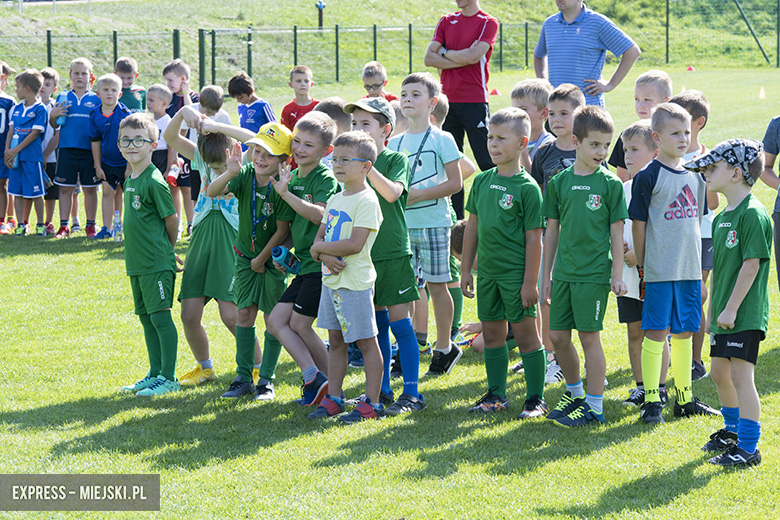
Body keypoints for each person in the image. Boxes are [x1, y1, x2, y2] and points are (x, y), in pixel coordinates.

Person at [629, 103, 719, 423]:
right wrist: (642, 262)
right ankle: (653, 400)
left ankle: (684, 398)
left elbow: (695, 221)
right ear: (656, 137)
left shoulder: (696, 176)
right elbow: (639, 224)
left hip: (689, 270)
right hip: (658, 270)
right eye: (675, 133)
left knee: (684, 332)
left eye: (686, 132)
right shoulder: (647, 177)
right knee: (656, 332)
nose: (683, 138)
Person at [542, 106, 628, 427]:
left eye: (607, 145)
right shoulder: (560, 182)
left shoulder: (610, 184)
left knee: (589, 337)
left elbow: (616, 231)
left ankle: (595, 407)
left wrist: (616, 274)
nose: (602, 152)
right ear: (576, 141)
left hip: (592, 274)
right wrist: (545, 275)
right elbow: (551, 230)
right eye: (595, 145)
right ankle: (575, 393)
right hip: (563, 273)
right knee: (557, 336)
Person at [686, 139, 770, 467]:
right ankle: (733, 432)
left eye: (712, 168)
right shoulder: (722, 218)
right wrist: (714, 307)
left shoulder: (753, 214)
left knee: (740, 376)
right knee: (719, 373)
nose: (706, 172)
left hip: (743, 313)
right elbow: (721, 268)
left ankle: (748, 449)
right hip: (724, 312)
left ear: (736, 173)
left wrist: (732, 307)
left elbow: (751, 265)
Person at [461, 107, 547, 419]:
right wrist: (466, 268)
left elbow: (534, 239)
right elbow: (472, 227)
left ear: (522, 143)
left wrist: (529, 283)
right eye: (490, 138)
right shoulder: (482, 181)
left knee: (525, 336)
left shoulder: (527, 189)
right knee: (494, 335)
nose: (493, 144)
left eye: (501, 138)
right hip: (488, 276)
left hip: (516, 277)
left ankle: (535, 398)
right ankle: (496, 394)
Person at [345, 97, 426, 416]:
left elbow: (393, 193)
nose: (358, 129)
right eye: (354, 124)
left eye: (366, 124)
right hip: (362, 257)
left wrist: (366, 165)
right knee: (373, 328)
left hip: (393, 254)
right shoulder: (347, 163)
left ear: (386, 131)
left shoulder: (394, 159)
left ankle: (412, 393)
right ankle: (380, 390)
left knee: (401, 325)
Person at [202, 121, 294, 400]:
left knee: (272, 318)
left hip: (270, 261)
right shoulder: (245, 175)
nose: (260, 158)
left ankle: (266, 379)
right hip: (244, 260)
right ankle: (243, 377)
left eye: (268, 154)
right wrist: (229, 173)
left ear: (283, 160)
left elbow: (282, 231)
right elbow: (211, 192)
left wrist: (262, 259)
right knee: (244, 313)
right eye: (256, 151)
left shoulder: (281, 187)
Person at [387, 72, 464, 377]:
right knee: (405, 291)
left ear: (432, 102)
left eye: (415, 94)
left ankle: (445, 347)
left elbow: (456, 183)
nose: (407, 99)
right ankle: (405, 350)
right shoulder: (394, 142)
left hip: (434, 222)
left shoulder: (443, 138)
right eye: (404, 94)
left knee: (437, 284)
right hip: (402, 226)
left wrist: (417, 196)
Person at [306, 131, 385, 423]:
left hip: (355, 284)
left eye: (345, 160)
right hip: (331, 281)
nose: (337, 165)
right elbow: (320, 237)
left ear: (365, 166)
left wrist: (319, 249)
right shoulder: (335, 197)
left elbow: (354, 244)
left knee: (366, 343)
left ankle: (373, 404)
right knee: (336, 340)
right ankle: (335, 398)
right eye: (334, 159)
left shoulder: (367, 200)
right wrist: (323, 254)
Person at [266, 111, 340, 406]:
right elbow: (291, 228)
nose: (299, 149)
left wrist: (286, 196)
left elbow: (321, 214)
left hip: (321, 264)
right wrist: (281, 254)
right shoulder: (292, 176)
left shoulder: (325, 177)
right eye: (296, 141)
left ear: (326, 151)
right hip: (304, 265)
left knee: (299, 324)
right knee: (275, 321)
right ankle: (315, 376)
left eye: (308, 145)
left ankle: (329, 385)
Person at [118, 113, 181, 397]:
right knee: (146, 318)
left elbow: (172, 219)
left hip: (156, 261)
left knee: (160, 317)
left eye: (138, 140)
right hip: (137, 262)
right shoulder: (130, 175)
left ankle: (169, 377)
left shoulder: (154, 181)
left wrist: (169, 249)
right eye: (125, 140)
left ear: (153, 144)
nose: (131, 146)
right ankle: (154, 373)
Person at [529, 83, 585, 384]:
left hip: (583, 240)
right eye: (552, 114)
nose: (557, 119)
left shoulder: (587, 148)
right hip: (551, 237)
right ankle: (553, 358)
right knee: (547, 296)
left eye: (565, 113)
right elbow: (539, 191)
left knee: (581, 300)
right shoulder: (544, 152)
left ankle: (585, 359)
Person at [424, 0, 498, 218]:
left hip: (474, 101)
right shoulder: (446, 21)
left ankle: (498, 210)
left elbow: (474, 57)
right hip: (446, 102)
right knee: (451, 164)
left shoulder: (487, 22)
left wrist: (444, 53)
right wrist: (461, 55)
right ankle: (456, 221)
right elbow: (429, 58)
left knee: (487, 160)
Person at [616, 120, 670, 408]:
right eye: (626, 149)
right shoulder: (622, 188)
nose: (627, 155)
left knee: (655, 333)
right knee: (634, 331)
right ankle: (640, 386)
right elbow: (616, 226)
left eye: (635, 149)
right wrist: (618, 248)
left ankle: (658, 387)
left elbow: (663, 231)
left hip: (654, 273)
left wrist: (639, 253)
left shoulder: (660, 187)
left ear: (655, 151)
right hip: (627, 276)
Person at [670, 90, 717, 382]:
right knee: (669, 297)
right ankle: (671, 357)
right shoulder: (663, 154)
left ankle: (695, 361)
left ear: (698, 123)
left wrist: (703, 174)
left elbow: (712, 204)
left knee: (695, 295)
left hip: (702, 235)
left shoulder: (707, 157)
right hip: (670, 234)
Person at [534, 0, 641, 108]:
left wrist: (610, 85)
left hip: (588, 109)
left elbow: (632, 51)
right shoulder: (549, 24)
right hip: (556, 109)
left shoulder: (597, 23)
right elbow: (539, 55)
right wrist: (544, 85)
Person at [50, 57, 101, 238]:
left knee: (90, 189)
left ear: (90, 77)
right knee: (65, 189)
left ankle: (91, 226)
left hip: (90, 150)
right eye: (76, 73)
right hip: (66, 148)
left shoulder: (96, 98)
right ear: (70, 75)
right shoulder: (63, 97)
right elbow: (54, 124)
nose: (80, 76)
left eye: (84, 73)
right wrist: (53, 115)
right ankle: (64, 226)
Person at [608, 70, 672, 182]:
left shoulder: (674, 136)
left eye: (647, 100)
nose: (640, 105)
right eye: (637, 99)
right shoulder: (628, 135)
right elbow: (623, 182)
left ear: (665, 102)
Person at [4, 69, 47, 236]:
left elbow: (34, 133)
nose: (16, 90)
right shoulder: (16, 108)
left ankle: (41, 225)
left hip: (31, 158)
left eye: (17, 87)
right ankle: (21, 225)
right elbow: (11, 130)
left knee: (37, 193)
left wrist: (15, 150)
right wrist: (8, 151)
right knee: (16, 192)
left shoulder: (40, 109)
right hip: (15, 159)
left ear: (27, 89)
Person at [89, 73, 131, 239]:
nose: (109, 93)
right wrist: (98, 166)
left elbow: (129, 142)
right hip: (106, 162)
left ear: (119, 94)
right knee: (107, 192)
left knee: (125, 193)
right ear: (98, 94)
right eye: (105, 90)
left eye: (113, 90)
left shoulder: (125, 114)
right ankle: (106, 228)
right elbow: (95, 141)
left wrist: (129, 166)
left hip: (124, 162)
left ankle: (124, 227)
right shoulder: (94, 115)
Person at [163, 59, 199, 236]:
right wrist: (172, 155)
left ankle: (192, 224)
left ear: (183, 79)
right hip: (172, 152)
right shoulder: (168, 100)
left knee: (188, 189)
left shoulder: (194, 98)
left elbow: (191, 116)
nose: (168, 84)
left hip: (189, 151)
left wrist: (185, 93)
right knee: (173, 187)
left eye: (170, 80)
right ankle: (176, 224)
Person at [510, 78, 554, 170]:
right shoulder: (510, 140)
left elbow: (532, 180)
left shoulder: (549, 146)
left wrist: (523, 148)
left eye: (523, 109)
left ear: (544, 113)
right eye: (514, 109)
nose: (517, 114)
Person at [227, 71, 276, 152]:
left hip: (260, 150)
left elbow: (274, 127)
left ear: (251, 91)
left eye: (241, 97)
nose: (238, 100)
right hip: (244, 150)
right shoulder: (241, 107)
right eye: (236, 98)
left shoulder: (263, 106)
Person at [39, 67, 61, 236]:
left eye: (47, 84)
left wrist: (46, 154)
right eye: (40, 83)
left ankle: (48, 221)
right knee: (32, 191)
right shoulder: (31, 105)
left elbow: (57, 135)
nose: (43, 87)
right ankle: (27, 221)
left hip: (51, 157)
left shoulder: (55, 107)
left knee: (51, 193)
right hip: (32, 157)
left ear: (54, 88)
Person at [0, 61, 18, 235]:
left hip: (2, 150)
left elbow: (13, 127)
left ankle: (4, 220)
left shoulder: (8, 101)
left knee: (3, 185)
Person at [146, 84, 177, 183]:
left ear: (164, 104)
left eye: (151, 100)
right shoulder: (148, 119)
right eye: (147, 100)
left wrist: (168, 168)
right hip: (150, 155)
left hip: (162, 157)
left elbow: (171, 146)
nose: (147, 103)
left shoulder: (167, 121)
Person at [281, 66, 318, 132]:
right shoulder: (287, 109)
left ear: (311, 84)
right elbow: (285, 133)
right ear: (290, 84)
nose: (303, 84)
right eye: (298, 81)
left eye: (306, 81)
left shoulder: (319, 106)